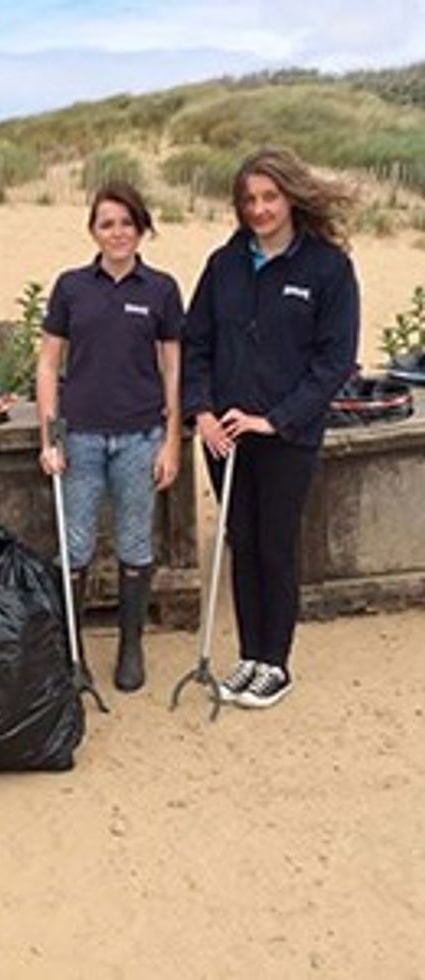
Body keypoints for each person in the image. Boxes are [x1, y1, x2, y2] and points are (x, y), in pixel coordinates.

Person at [183, 147, 359, 709]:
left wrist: (274, 418)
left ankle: (275, 664)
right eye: (249, 200)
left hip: (286, 437)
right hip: (224, 438)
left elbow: (334, 363)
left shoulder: (328, 268)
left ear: (290, 198)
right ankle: (250, 658)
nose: (259, 209)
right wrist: (203, 413)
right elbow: (196, 344)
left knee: (275, 547)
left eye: (269, 198)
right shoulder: (225, 264)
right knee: (242, 543)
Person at [37, 181, 183, 693]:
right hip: (80, 439)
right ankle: (72, 653)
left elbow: (172, 367)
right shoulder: (72, 286)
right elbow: (49, 361)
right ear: (93, 231)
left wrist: (171, 442)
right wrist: (49, 437)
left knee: (135, 542)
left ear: (141, 228)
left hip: (140, 437)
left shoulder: (161, 289)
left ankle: (131, 646)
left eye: (127, 222)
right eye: (107, 224)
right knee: (74, 546)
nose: (117, 232)